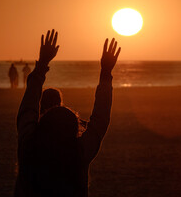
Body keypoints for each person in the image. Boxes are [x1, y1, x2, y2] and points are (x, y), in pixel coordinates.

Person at [15, 29, 121, 196]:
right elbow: (100, 119)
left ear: (43, 122)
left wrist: (42, 64)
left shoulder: (28, 144)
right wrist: (106, 72)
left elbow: (28, 107)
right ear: (74, 130)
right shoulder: (79, 152)